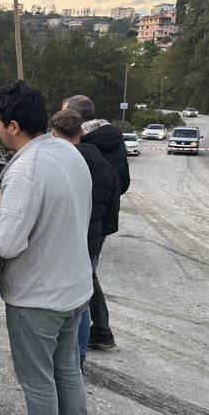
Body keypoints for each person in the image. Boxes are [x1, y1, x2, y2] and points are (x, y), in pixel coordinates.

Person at [0, 80, 92, 414]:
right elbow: (54, 203)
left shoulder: (25, 169)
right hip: (73, 289)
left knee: (38, 383)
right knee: (69, 373)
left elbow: (7, 242)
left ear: (14, 126)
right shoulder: (67, 151)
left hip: (38, 300)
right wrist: (9, 203)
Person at [50, 109, 120, 368]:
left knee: (56, 305)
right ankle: (78, 358)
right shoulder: (105, 167)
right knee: (81, 303)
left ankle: (56, 355)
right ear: (81, 132)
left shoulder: (58, 165)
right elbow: (113, 213)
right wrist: (98, 235)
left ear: (53, 134)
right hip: (90, 244)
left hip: (60, 244)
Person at [62, 95, 130, 350]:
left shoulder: (84, 145)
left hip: (82, 220)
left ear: (76, 119)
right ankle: (101, 330)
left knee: (83, 278)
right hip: (101, 221)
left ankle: (95, 335)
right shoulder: (113, 138)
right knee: (88, 273)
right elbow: (122, 182)